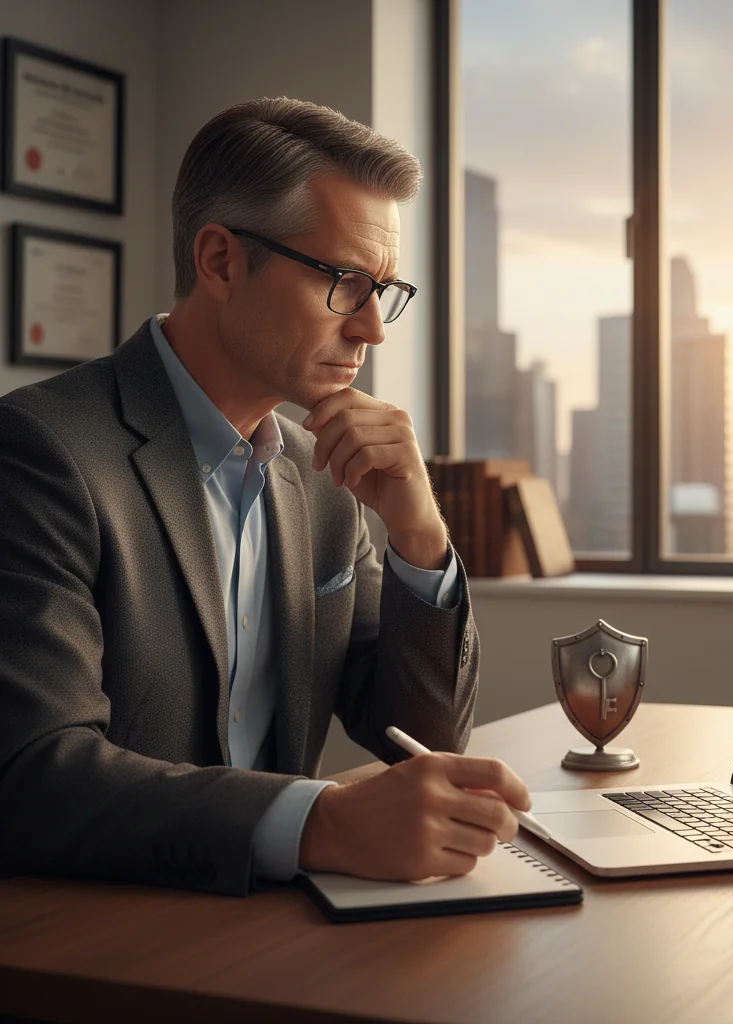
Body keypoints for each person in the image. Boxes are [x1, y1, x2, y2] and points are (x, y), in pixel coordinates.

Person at [0, 97, 531, 896]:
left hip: (276, 932)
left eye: (384, 291)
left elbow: (420, 741)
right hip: (99, 950)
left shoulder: (325, 481)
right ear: (219, 261)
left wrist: (420, 532)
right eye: (347, 283)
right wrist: (318, 822)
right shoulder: (42, 451)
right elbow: (36, 775)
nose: (373, 331)